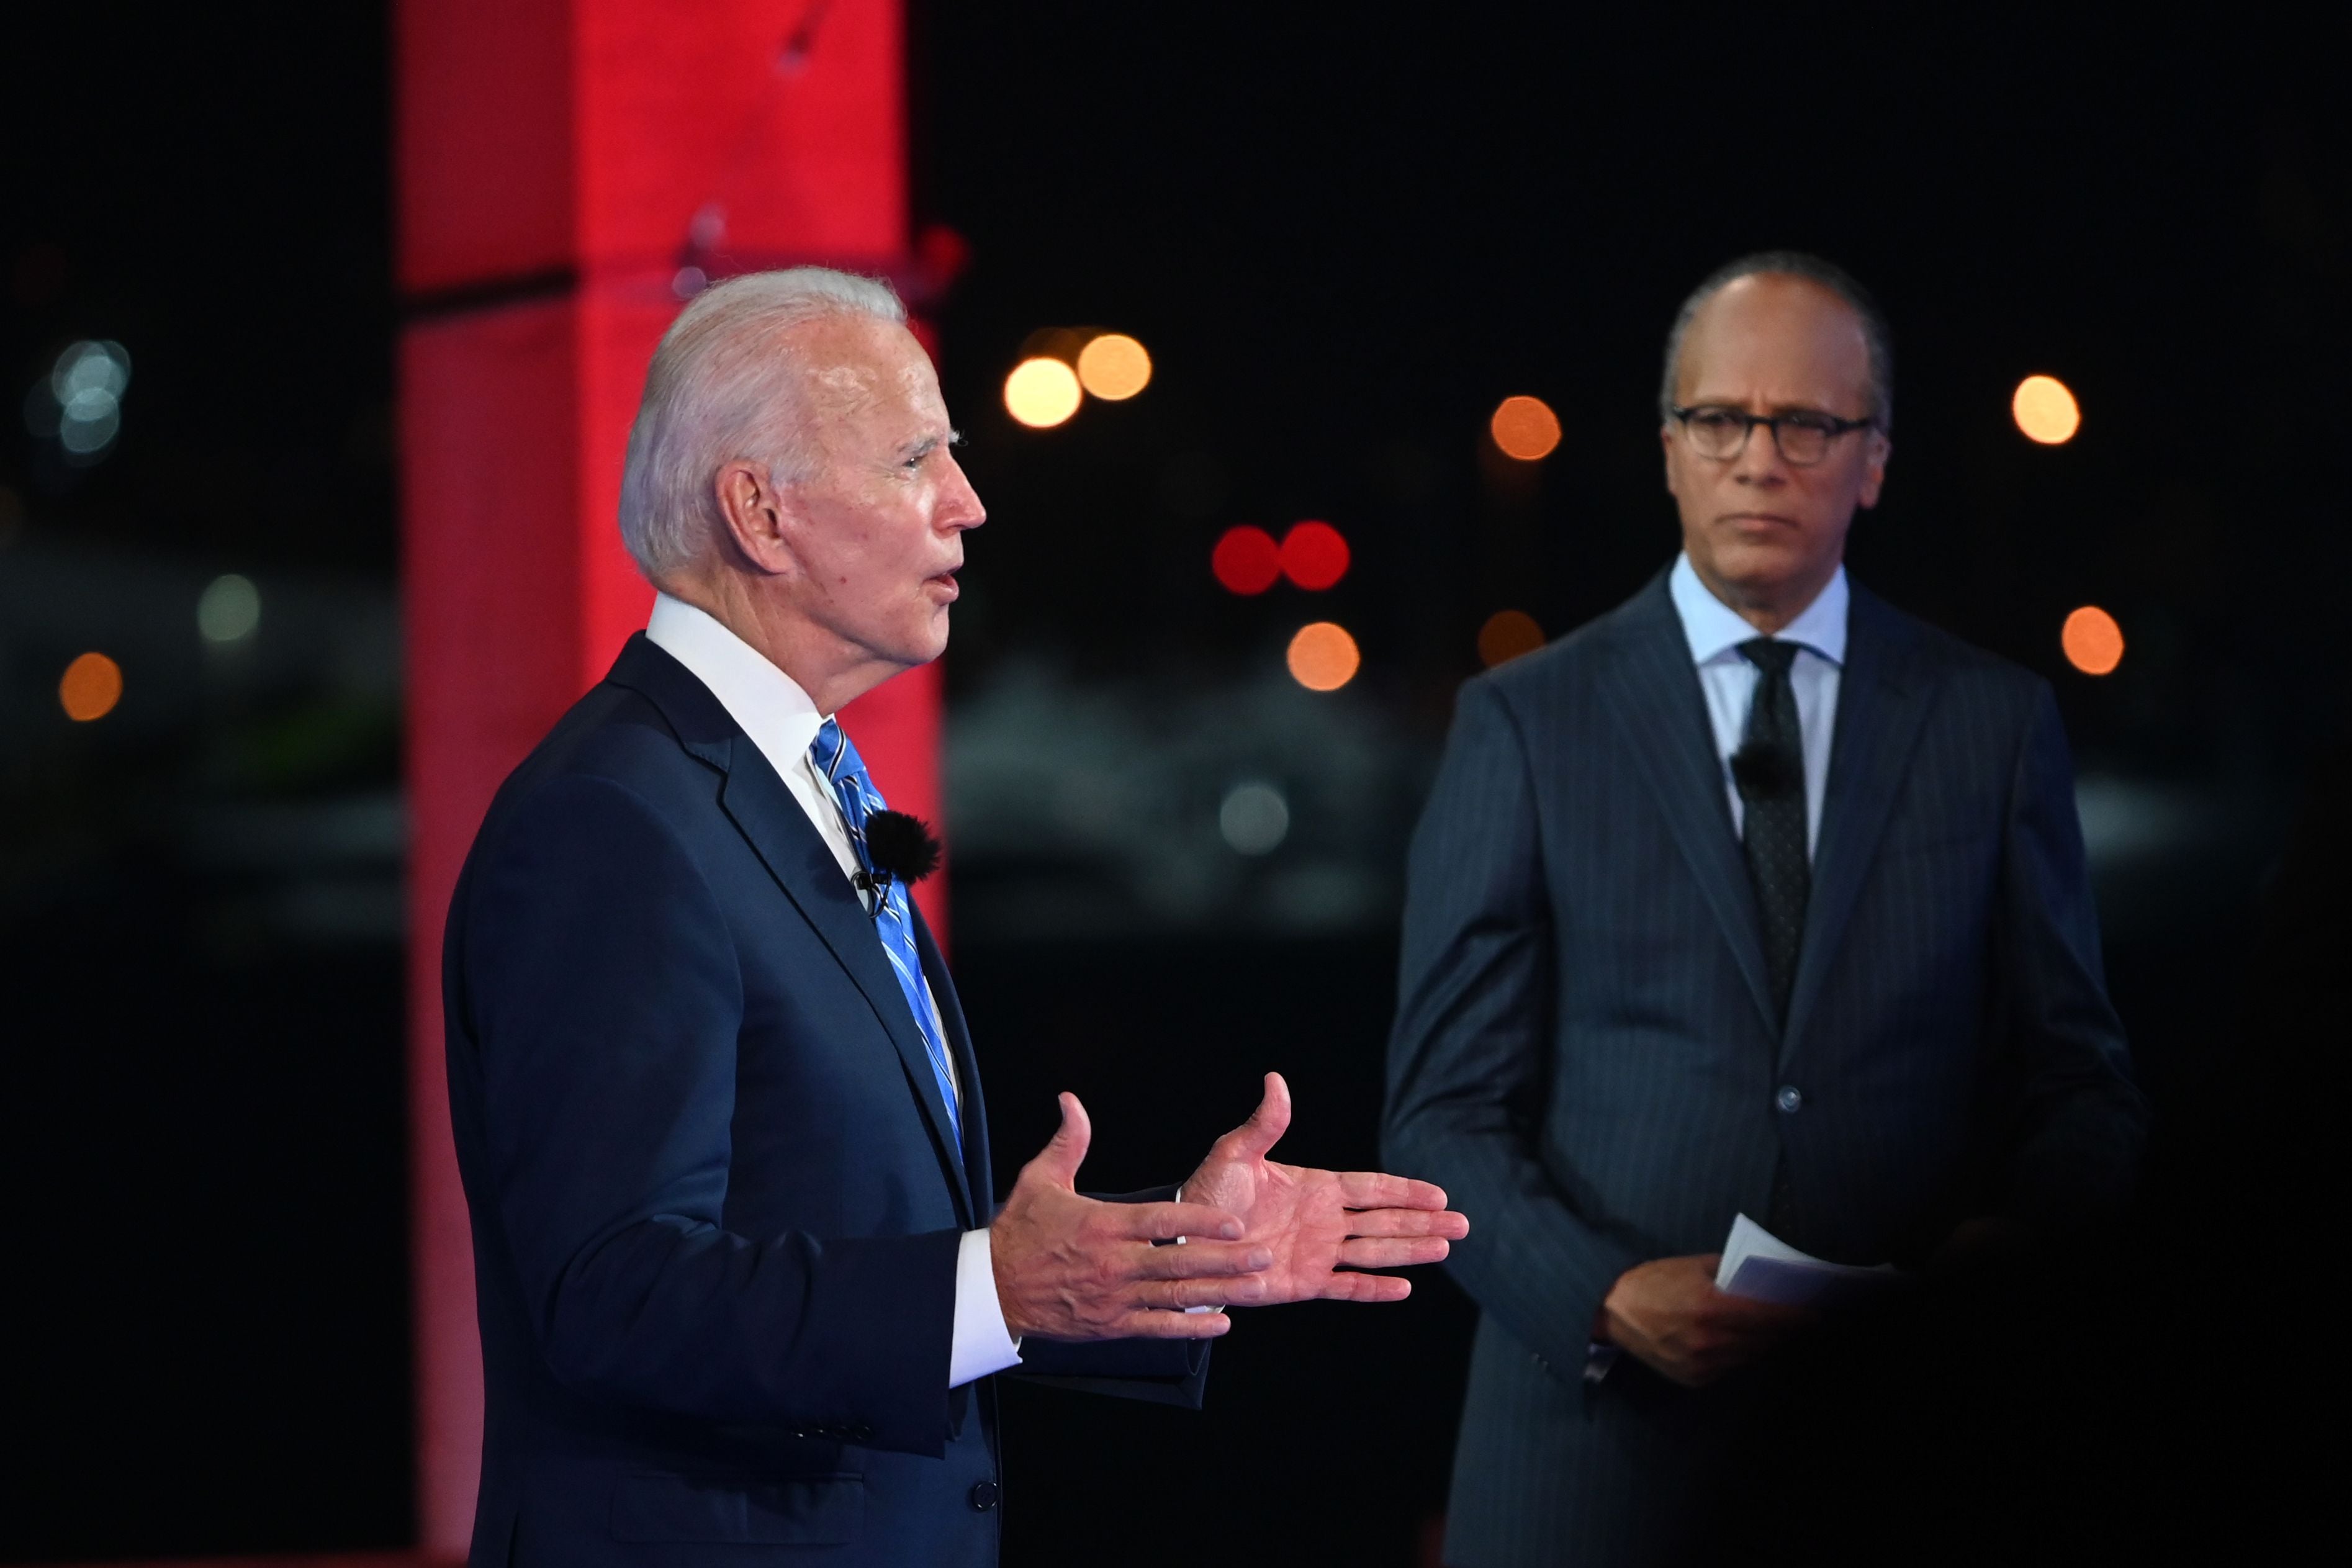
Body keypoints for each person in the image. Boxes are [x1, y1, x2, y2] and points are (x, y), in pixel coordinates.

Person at [441, 267, 1468, 1567]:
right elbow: (612, 1295)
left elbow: (851, 1235)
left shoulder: (773, 784)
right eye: (915, 459)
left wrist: (1157, 1253)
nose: (967, 505)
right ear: (759, 512)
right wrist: (996, 1284)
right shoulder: (615, 823)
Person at [1383, 251, 2144, 1567]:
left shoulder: (1990, 724)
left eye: (1804, 424)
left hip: (1903, 1461)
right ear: (1669, 450)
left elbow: (2081, 1092)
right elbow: (1439, 1116)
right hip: (1588, 1461)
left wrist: (1994, 1261)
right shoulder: (1523, 722)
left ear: (1874, 461)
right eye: (1719, 421)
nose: (1756, 459)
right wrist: (1607, 1300)